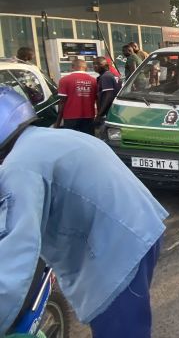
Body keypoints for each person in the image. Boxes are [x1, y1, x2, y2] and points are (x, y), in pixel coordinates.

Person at [0, 87, 168, 338]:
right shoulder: (42, 138)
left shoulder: (19, 167)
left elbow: (16, 253)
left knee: (121, 331)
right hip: (138, 227)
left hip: (120, 246)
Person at [55, 58, 97, 135]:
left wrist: (58, 122)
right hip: (88, 116)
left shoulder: (64, 80)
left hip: (70, 117)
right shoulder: (93, 80)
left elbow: (62, 102)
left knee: (71, 140)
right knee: (88, 140)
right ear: (86, 68)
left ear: (72, 67)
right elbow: (97, 100)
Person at [93, 57, 122, 123]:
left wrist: (100, 114)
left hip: (108, 111)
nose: (95, 66)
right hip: (115, 110)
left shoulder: (106, 76)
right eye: (94, 64)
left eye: (98, 64)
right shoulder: (111, 75)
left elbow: (108, 96)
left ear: (106, 65)